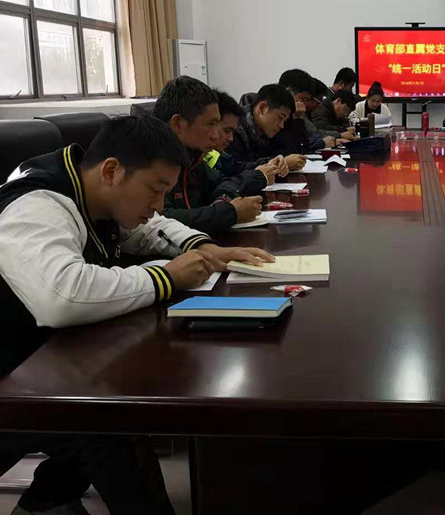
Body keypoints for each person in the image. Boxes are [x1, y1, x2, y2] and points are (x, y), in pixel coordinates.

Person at [0, 115, 272, 514]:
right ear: (112, 171)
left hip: (39, 364)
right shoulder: (36, 205)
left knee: (110, 398)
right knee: (108, 421)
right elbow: (62, 295)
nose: (159, 204)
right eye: (155, 189)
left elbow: (149, 228)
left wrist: (202, 248)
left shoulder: (93, 191)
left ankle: (45, 503)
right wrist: (166, 277)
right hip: (13, 380)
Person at [151, 76, 276, 235]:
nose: (216, 136)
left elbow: (222, 183)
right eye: (210, 125)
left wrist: (223, 202)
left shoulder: (194, 158)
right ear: (178, 124)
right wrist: (229, 213)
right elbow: (161, 219)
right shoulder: (149, 160)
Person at [205, 90, 288, 183]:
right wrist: (258, 176)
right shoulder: (197, 159)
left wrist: (270, 163)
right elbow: (221, 187)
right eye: (227, 131)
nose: (231, 138)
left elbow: (235, 167)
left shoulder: (213, 154)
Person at [226, 83, 302, 175]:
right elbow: (232, 169)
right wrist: (278, 164)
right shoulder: (233, 129)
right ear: (262, 108)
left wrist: (297, 120)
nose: (281, 125)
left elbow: (292, 151)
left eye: (284, 121)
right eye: (280, 117)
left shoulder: (268, 131)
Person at [276, 69, 336, 154]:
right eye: (303, 99)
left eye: (307, 100)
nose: (305, 105)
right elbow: (290, 148)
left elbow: (302, 146)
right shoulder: (273, 113)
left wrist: (298, 118)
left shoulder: (293, 114)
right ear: (288, 92)